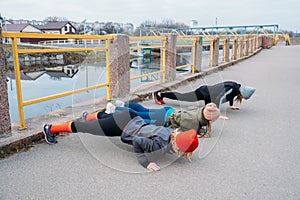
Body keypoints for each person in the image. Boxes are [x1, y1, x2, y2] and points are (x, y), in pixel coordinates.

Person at [43, 110, 199, 171]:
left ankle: (89, 116)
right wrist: (146, 162)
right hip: (122, 125)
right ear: (178, 148)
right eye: (184, 152)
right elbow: (138, 141)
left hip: (131, 117)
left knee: (105, 119)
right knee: (85, 128)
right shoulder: (158, 144)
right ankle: (50, 129)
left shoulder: (173, 132)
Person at [83, 101, 220, 138]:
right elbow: (183, 131)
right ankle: (114, 110)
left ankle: (122, 104)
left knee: (143, 110)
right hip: (164, 119)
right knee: (137, 116)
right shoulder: (195, 122)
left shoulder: (198, 111)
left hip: (168, 111)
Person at [153, 81, 256, 110]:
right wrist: (217, 112)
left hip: (208, 93)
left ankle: (162, 94)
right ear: (242, 92)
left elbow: (230, 96)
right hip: (204, 93)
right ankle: (160, 94)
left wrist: (231, 105)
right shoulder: (232, 88)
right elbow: (220, 97)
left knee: (183, 97)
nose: (241, 98)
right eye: (243, 96)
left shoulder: (235, 86)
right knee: (183, 97)